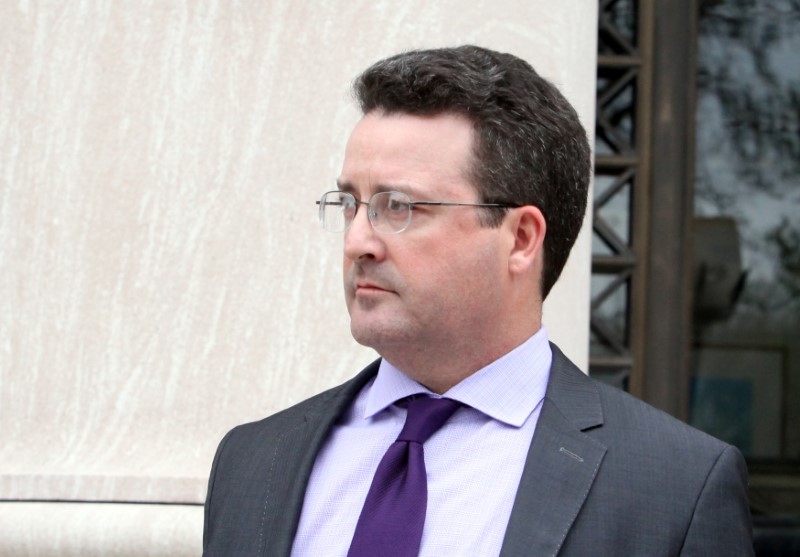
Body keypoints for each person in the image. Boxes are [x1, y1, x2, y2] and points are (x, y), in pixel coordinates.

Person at [203, 45, 753, 556]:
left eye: (399, 207)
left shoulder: (675, 488)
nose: (357, 242)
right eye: (351, 203)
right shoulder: (253, 462)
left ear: (520, 239)